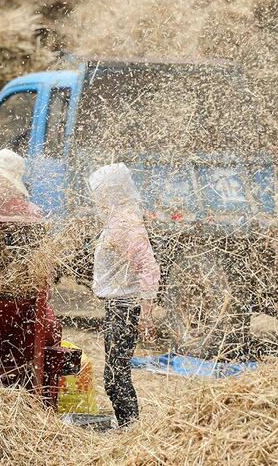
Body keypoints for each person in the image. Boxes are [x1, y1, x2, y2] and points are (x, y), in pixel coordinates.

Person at [88, 163, 159, 427]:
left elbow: (149, 268)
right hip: (116, 305)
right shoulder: (119, 217)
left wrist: (146, 316)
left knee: (116, 378)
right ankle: (129, 427)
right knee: (114, 375)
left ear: (111, 192)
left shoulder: (125, 223)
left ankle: (131, 430)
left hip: (124, 306)